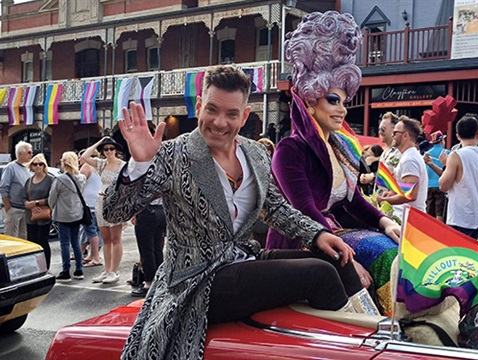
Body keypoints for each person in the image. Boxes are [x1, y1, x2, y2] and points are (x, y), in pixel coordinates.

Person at [103, 65, 380, 360]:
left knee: (337, 257)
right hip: (195, 279)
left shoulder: (256, 153)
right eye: (212, 109)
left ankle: (380, 333)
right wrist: (140, 164)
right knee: (319, 274)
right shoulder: (174, 153)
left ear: (244, 116)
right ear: (199, 106)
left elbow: (276, 208)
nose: (220, 122)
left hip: (242, 258)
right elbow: (114, 210)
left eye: (231, 114)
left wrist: (319, 234)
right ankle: (351, 353)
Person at [265, 11, 400, 316]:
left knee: (395, 248)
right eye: (333, 100)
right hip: (303, 243)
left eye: (344, 101)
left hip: (334, 236)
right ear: (310, 101)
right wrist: (348, 260)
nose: (342, 110)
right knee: (383, 255)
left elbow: (353, 202)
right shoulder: (290, 150)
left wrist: (385, 221)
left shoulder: (339, 147)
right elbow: (304, 211)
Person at [80, 137, 126, 284]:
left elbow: (128, 186)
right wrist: (100, 142)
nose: (109, 151)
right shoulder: (101, 164)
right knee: (106, 239)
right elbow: (84, 156)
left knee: (115, 238)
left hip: (115, 203)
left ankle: (114, 270)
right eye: (106, 149)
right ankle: (107, 270)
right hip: (101, 202)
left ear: (116, 150)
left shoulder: (123, 165)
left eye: (112, 148)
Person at [426, 114, 478, 239]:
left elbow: (444, 185)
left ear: (458, 136)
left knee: (456, 254)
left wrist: (445, 165)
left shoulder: (456, 155)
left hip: (460, 217)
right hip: (477, 218)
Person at [377, 116, 428, 219]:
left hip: (408, 220)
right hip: (405, 218)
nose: (392, 135)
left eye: (395, 132)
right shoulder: (408, 156)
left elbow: (410, 195)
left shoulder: (410, 159)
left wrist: (382, 200)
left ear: (405, 135)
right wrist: (392, 193)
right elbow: (405, 190)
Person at [49, 152, 86, 282]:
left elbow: (52, 198)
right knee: (76, 242)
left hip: (63, 214)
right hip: (77, 213)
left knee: (64, 243)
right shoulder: (81, 178)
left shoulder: (59, 180)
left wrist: (51, 208)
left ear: (64, 163)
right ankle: (79, 269)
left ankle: (66, 271)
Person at [22, 153, 54, 269]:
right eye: (35, 164)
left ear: (44, 165)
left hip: (44, 215)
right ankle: (34, 267)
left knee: (43, 241)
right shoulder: (29, 181)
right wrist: (26, 203)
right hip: (31, 215)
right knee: (32, 242)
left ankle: (46, 267)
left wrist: (37, 203)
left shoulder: (50, 179)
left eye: (40, 164)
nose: (38, 166)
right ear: (31, 166)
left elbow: (52, 198)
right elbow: (24, 196)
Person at [131, 196, 166, 297]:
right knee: (157, 249)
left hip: (146, 210)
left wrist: (135, 212)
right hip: (160, 209)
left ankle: (149, 282)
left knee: (146, 250)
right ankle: (158, 279)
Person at [0, 140, 33, 239]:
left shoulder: (28, 168)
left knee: (23, 237)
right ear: (20, 153)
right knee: (11, 238)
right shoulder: (10, 168)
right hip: (13, 208)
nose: (31, 154)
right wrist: (8, 208)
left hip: (25, 209)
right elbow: (3, 187)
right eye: (29, 152)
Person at [78, 149, 103, 267]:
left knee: (90, 230)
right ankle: (93, 255)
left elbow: (78, 184)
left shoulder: (86, 167)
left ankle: (95, 257)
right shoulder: (99, 168)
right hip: (99, 203)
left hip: (88, 204)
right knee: (98, 230)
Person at [423, 131, 447, 222]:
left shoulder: (426, 155)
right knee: (439, 213)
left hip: (428, 187)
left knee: (429, 213)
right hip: (441, 186)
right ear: (442, 141)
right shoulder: (447, 153)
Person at [376, 112, 401, 196]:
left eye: (383, 129)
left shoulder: (400, 152)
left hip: (394, 204)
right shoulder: (385, 151)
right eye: (379, 129)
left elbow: (398, 179)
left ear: (394, 129)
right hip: (382, 203)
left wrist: (372, 177)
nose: (380, 132)